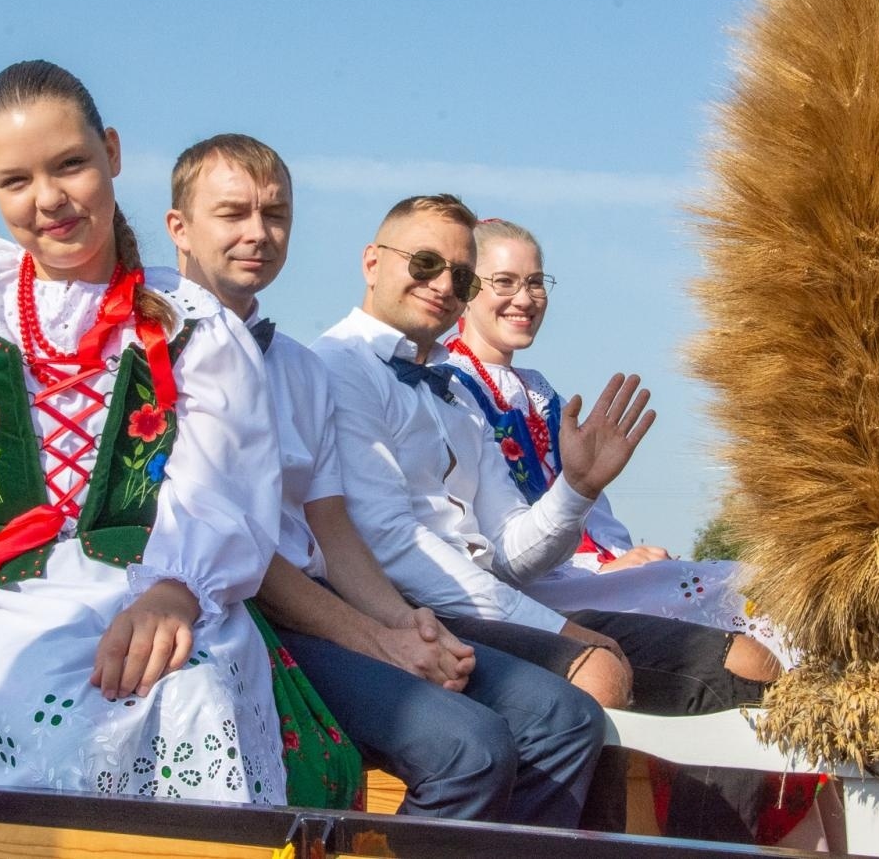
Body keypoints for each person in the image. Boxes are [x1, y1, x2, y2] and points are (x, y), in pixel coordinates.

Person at [0, 60, 309, 805]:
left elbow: (222, 483)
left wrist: (176, 590)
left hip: (147, 583)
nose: (48, 199)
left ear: (111, 152)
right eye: (16, 181)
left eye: (71, 165)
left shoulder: (192, 321)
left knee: (182, 688)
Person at [163, 134, 605, 828]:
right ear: (179, 229)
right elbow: (242, 549)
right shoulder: (154, 347)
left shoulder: (299, 368)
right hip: (244, 609)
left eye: (275, 215)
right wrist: (378, 637)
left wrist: (406, 623)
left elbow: (331, 523)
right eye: (233, 214)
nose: (258, 233)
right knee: (473, 749)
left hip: (323, 597)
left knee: (565, 717)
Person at [311, 193, 781, 842]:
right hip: (404, 603)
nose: (443, 285)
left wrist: (578, 487)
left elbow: (511, 551)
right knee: (596, 678)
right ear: (372, 261)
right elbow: (393, 545)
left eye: (461, 275)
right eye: (425, 263)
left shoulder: (454, 391)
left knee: (750, 663)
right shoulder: (335, 366)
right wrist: (556, 626)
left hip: (487, 599)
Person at [445, 217, 792, 665]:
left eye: (535, 282)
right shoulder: (453, 388)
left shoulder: (542, 395)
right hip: (525, 589)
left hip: (580, 572)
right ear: (467, 288)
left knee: (752, 580)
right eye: (505, 282)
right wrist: (604, 566)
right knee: (733, 588)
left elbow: (597, 517)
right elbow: (495, 542)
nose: (525, 298)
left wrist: (623, 556)